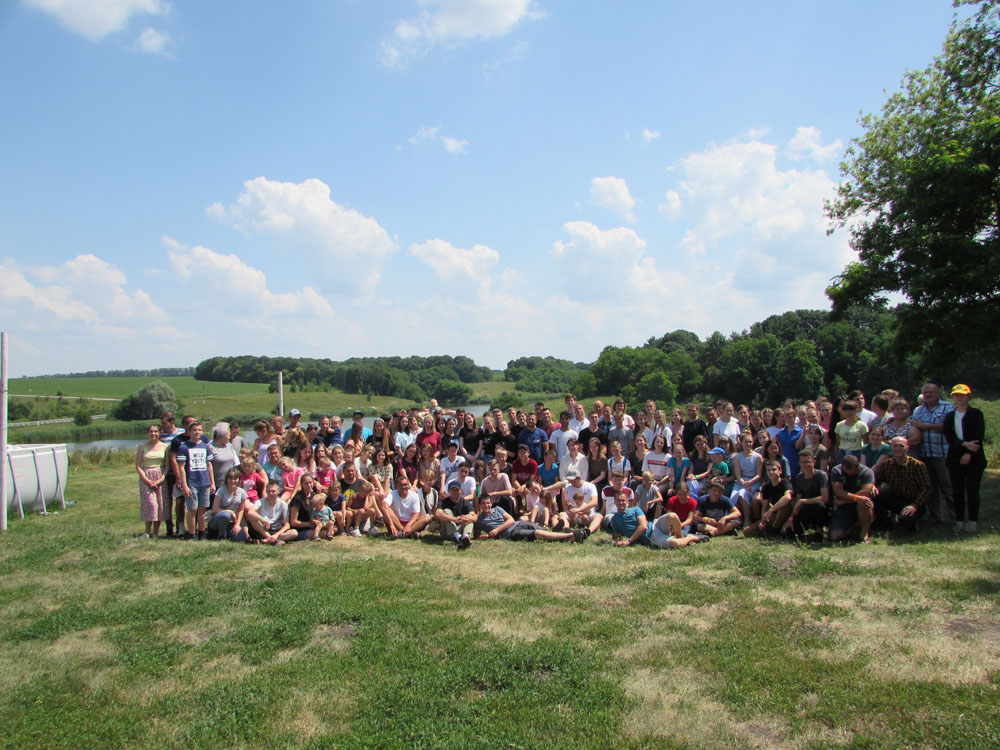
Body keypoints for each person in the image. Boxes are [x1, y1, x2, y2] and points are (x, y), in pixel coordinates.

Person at [943, 384, 986, 533]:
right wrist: (963, 445)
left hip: (974, 458)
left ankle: (973, 520)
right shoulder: (950, 416)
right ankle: (959, 520)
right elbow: (949, 436)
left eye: (962, 395)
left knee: (972, 490)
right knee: (957, 491)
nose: (959, 398)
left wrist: (969, 453)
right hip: (955, 457)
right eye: (956, 395)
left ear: (968, 396)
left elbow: (978, 436)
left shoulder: (976, 414)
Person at [911, 383, 955, 523]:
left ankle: (955, 517)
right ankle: (936, 517)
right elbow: (913, 426)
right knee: (931, 487)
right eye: (925, 393)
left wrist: (926, 426)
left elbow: (949, 427)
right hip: (925, 454)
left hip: (943, 454)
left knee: (948, 486)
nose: (928, 395)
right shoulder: (918, 410)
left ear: (938, 393)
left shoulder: (948, 407)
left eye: (931, 392)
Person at [873, 436, 932, 532]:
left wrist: (914, 505)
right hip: (896, 498)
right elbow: (877, 479)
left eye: (901, 446)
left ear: (907, 448)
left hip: (913, 501)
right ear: (891, 448)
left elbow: (927, 488)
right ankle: (887, 524)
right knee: (874, 494)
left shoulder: (917, 465)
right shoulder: (887, 464)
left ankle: (911, 522)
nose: (898, 449)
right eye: (895, 446)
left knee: (905, 520)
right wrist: (872, 487)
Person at [474, 495, 586, 543]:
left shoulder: (498, 509)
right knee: (537, 532)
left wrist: (497, 530)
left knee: (539, 528)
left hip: (517, 524)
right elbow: (477, 536)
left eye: (488, 503)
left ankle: (559, 532)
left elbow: (511, 520)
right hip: (511, 533)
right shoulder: (480, 520)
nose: (486, 505)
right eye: (483, 504)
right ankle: (571, 536)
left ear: (491, 503)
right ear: (479, 505)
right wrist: (486, 536)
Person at [176, 422, 215, 541]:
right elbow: (181, 467)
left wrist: (212, 482)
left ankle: (202, 533)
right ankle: (192, 534)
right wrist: (184, 485)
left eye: (199, 430)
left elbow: (209, 465)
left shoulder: (205, 446)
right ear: (190, 431)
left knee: (203, 509)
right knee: (192, 509)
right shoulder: (184, 447)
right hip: (192, 482)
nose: (197, 432)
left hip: (205, 482)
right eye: (195, 430)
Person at [780, 450, 829, 542]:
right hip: (806, 510)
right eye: (802, 462)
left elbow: (825, 497)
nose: (805, 464)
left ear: (813, 462)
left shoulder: (821, 475)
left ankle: (819, 532)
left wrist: (803, 501)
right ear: (799, 463)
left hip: (820, 510)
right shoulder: (799, 477)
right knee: (789, 532)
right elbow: (797, 499)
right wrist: (790, 518)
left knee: (820, 505)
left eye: (808, 462)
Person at [829, 455, 876, 543]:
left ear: (858, 466)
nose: (850, 474)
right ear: (843, 466)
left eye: (853, 472)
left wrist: (844, 500)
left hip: (857, 504)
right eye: (847, 472)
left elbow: (865, 492)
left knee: (865, 503)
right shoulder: (836, 471)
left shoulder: (867, 472)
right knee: (834, 536)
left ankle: (863, 534)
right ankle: (854, 528)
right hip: (844, 507)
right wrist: (856, 498)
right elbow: (838, 492)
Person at [135, 423, 167, 538]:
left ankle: (155, 532)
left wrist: (161, 479)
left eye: (155, 431)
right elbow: (138, 466)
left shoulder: (165, 446)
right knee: (151, 504)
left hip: (160, 476)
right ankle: (147, 531)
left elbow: (167, 466)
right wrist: (147, 480)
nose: (153, 433)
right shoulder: (142, 446)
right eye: (151, 431)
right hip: (146, 476)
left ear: (159, 433)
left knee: (159, 505)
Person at [207, 468, 248, 541]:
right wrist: (229, 511)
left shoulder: (242, 492)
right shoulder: (221, 490)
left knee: (241, 538)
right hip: (218, 518)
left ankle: (229, 534)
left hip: (232, 522)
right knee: (226, 515)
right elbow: (215, 509)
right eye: (230, 478)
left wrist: (237, 524)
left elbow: (241, 510)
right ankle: (221, 536)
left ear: (239, 480)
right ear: (227, 479)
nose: (233, 481)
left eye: (235, 479)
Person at [557, 470, 603, 536]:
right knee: (562, 514)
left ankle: (588, 531)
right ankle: (566, 529)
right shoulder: (568, 488)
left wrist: (578, 510)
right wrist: (569, 506)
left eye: (574, 481)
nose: (572, 483)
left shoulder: (590, 486)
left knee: (599, 516)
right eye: (570, 481)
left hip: (588, 513)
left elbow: (594, 502)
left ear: (579, 478)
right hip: (574, 514)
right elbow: (565, 504)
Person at [435, 481, 476, 549]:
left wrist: (467, 519)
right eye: (452, 490)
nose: (454, 492)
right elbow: (437, 514)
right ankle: (459, 538)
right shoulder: (444, 502)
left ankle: (466, 537)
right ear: (449, 491)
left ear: (460, 491)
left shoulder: (465, 502)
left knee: (469, 517)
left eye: (456, 490)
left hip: (460, 529)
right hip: (447, 532)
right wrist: (453, 519)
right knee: (446, 511)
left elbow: (474, 516)